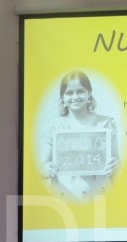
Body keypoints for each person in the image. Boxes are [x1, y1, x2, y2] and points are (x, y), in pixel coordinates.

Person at [41, 70, 119, 201]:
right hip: (64, 198)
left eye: (80, 91)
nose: (75, 96)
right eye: (69, 93)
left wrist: (115, 166)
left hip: (100, 197)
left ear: (89, 94)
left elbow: (118, 163)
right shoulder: (56, 127)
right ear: (63, 98)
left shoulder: (106, 124)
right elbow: (41, 167)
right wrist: (45, 170)